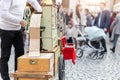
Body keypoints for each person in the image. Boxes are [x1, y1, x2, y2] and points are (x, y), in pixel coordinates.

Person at [0, 0, 42, 80]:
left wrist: (40, 10)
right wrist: (19, 21)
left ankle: (18, 76)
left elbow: (33, 1)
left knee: (20, 53)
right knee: (5, 55)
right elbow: (3, 13)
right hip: (6, 29)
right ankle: (5, 78)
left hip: (18, 28)